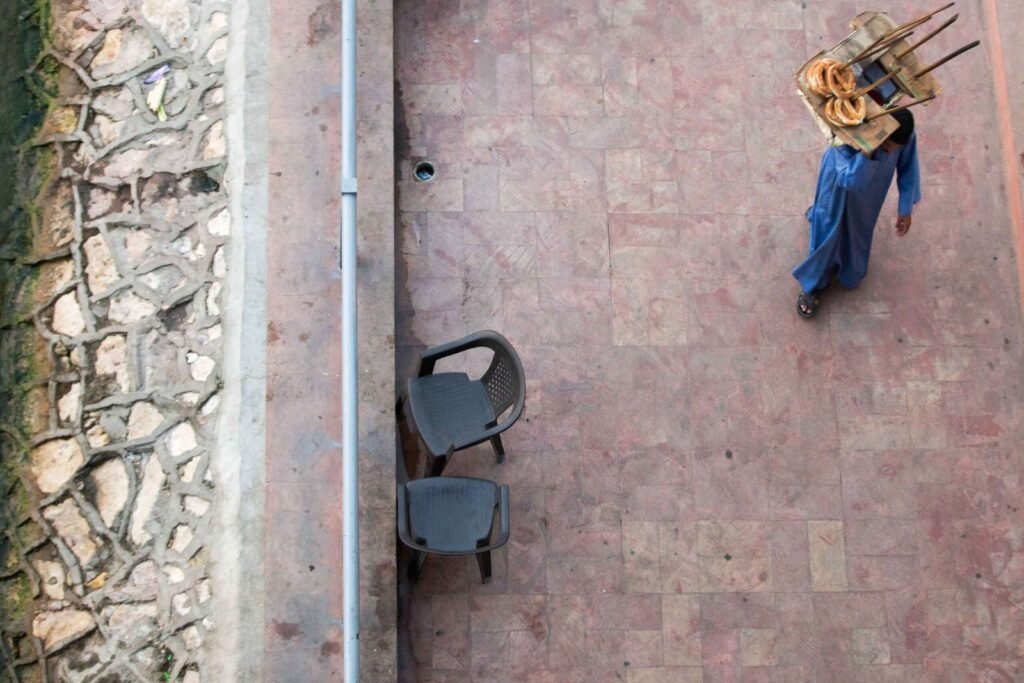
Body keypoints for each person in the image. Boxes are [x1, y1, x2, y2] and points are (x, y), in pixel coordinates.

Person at [792, 108, 921, 318]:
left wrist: (905, 209)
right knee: (827, 229)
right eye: (887, 146)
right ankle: (813, 284)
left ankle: (848, 267)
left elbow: (909, 168)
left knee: (859, 230)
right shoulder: (849, 135)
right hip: (837, 185)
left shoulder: (903, 136)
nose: (889, 152)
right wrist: (867, 152)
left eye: (894, 149)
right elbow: (850, 180)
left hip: (870, 197)